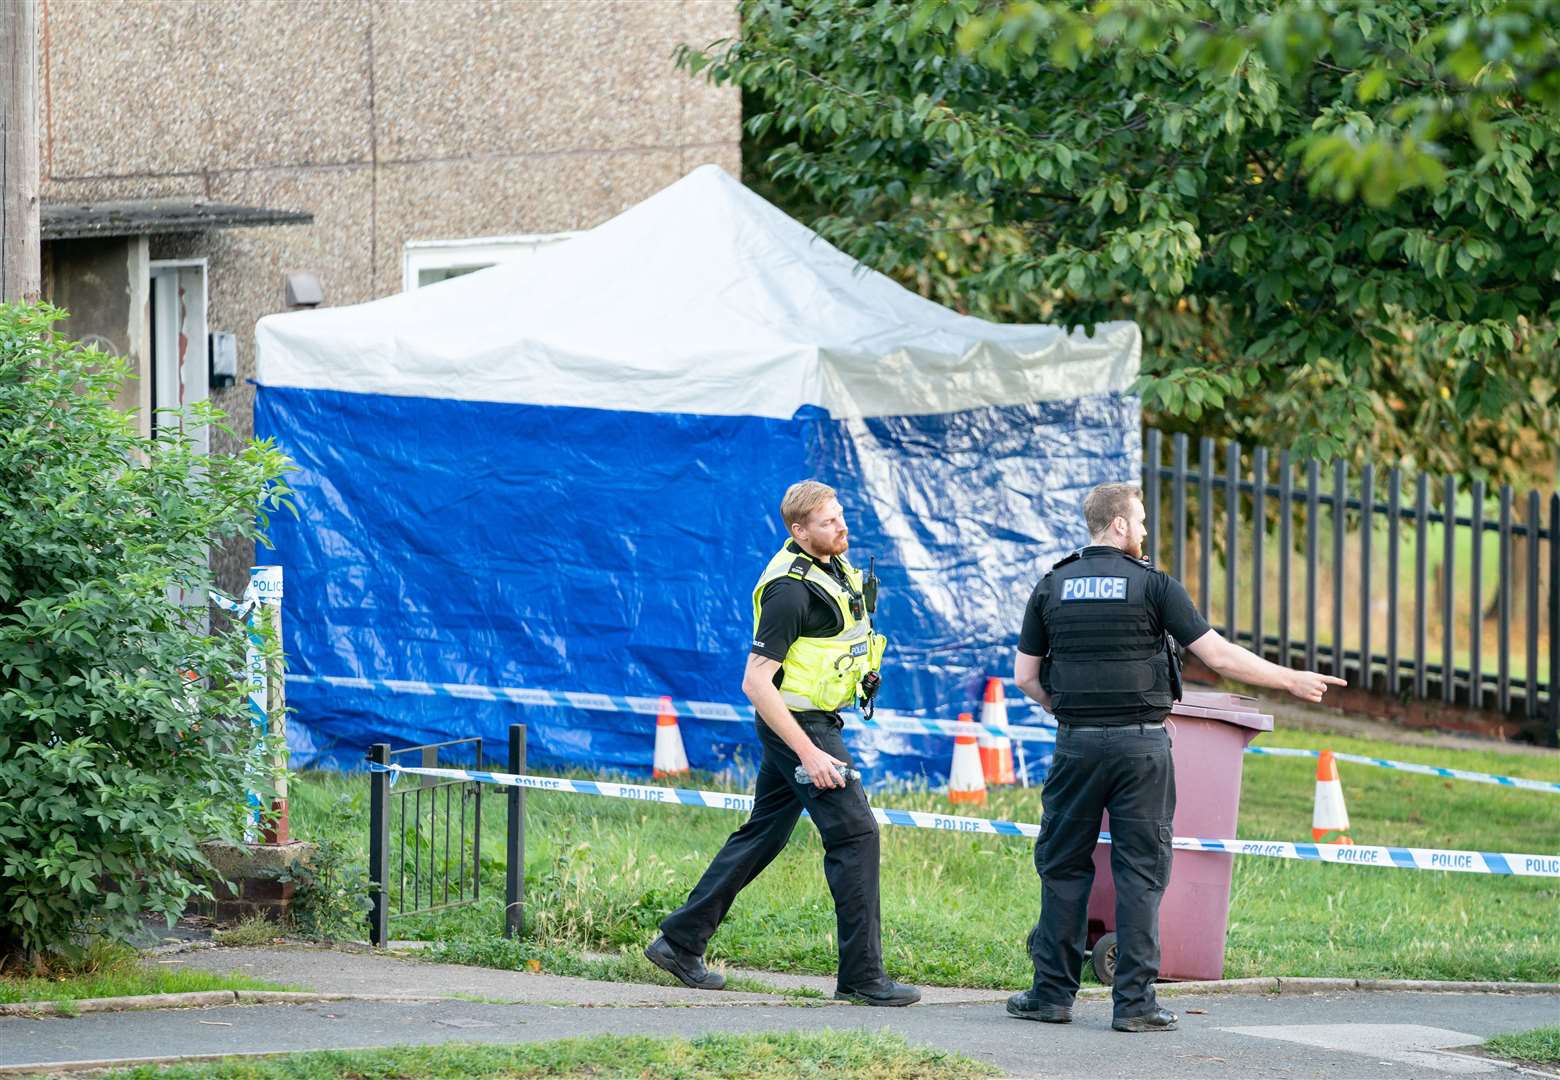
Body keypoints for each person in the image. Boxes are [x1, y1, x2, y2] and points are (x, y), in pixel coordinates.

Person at [1007, 481, 1344, 1032]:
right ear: (1118, 524)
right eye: (1139, 521)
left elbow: (1025, 676)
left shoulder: (1052, 586)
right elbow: (1217, 654)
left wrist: (1069, 714)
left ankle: (1050, 997)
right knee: (1141, 870)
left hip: (1077, 743)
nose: (1144, 532)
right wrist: (1290, 679)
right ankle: (1135, 1006)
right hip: (1142, 746)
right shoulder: (1154, 586)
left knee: (1063, 864)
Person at [645, 480, 920, 1006]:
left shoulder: (831, 564)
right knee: (857, 835)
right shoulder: (790, 590)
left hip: (814, 722)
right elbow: (755, 683)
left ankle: (680, 942)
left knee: (763, 835)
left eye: (840, 516)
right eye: (827, 522)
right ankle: (863, 977)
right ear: (799, 531)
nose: (841, 526)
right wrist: (809, 754)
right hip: (800, 729)